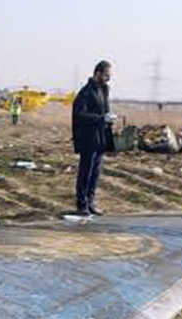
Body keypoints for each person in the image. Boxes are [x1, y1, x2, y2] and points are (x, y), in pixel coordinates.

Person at [72, 60, 116, 216]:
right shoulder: (86, 92)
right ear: (97, 73)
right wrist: (101, 118)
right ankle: (81, 204)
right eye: (106, 75)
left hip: (100, 139)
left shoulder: (103, 90)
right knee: (86, 172)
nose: (108, 78)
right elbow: (80, 114)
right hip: (88, 139)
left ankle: (90, 202)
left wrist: (108, 119)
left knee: (95, 173)